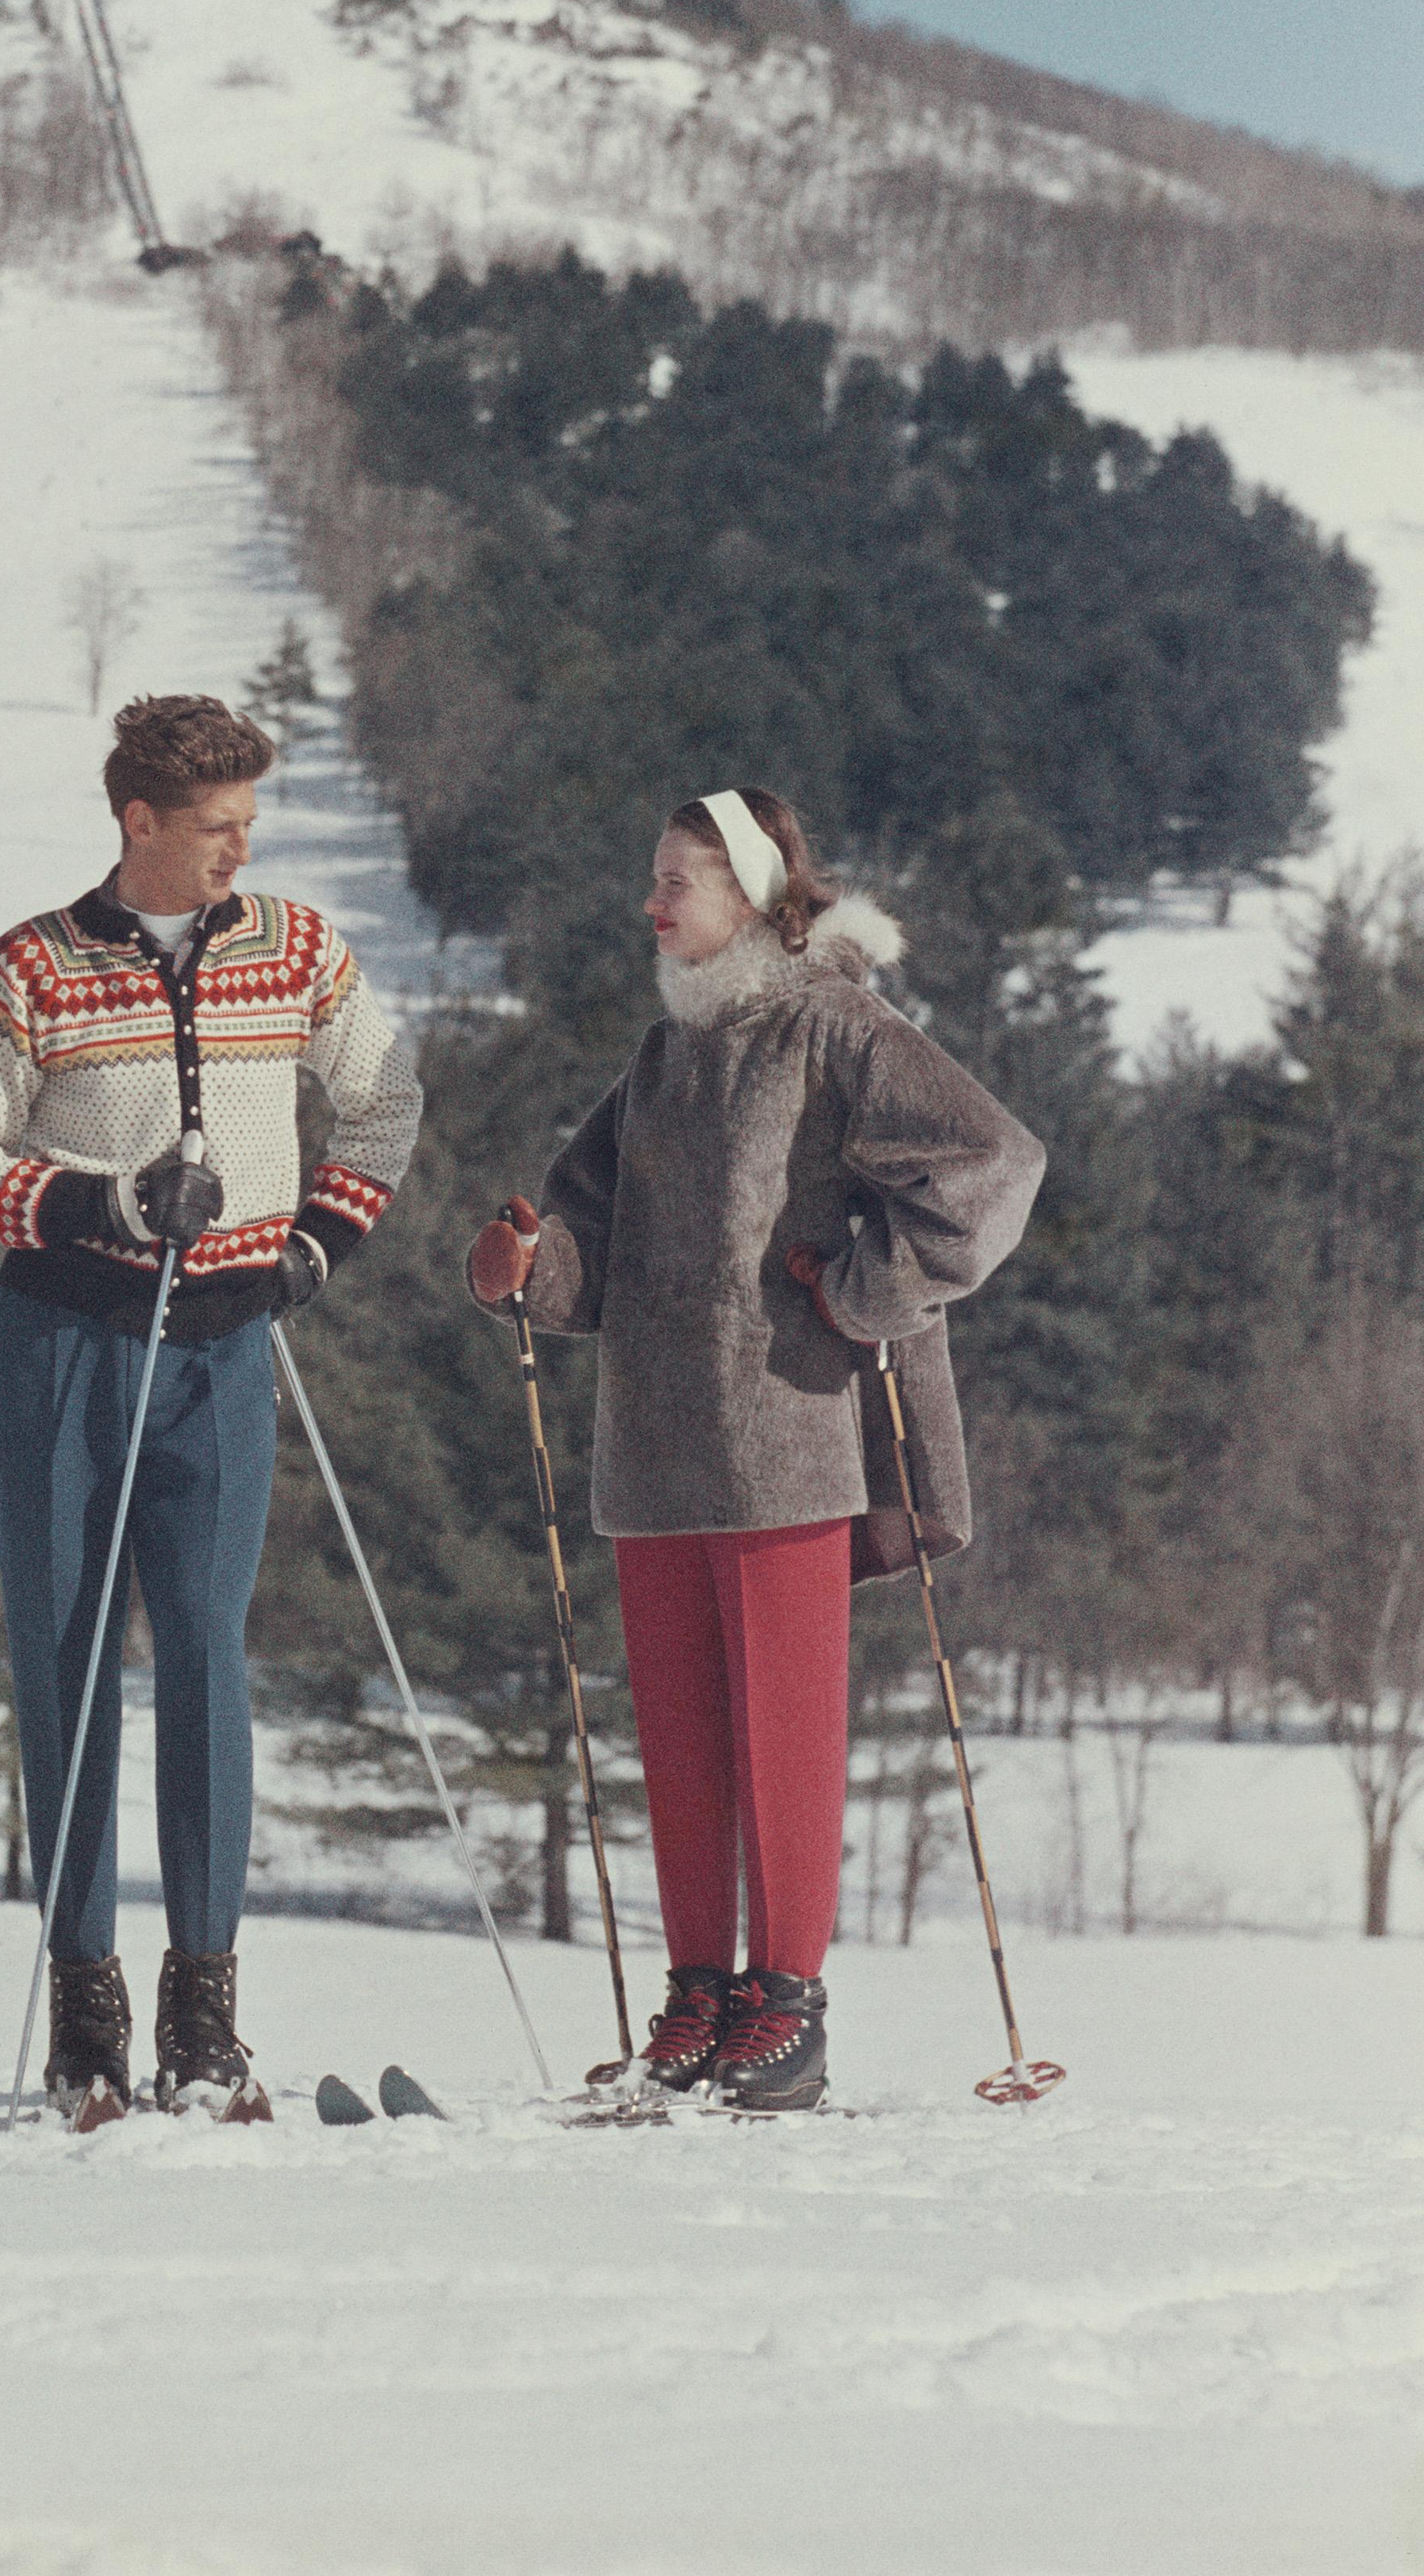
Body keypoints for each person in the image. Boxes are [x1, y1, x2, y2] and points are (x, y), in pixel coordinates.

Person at [466, 787, 1043, 2112]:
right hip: (653, 1443)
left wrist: (858, 1292)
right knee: (676, 1733)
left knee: (780, 1727)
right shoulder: (665, 1057)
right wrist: (525, 1262)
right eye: (652, 877)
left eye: (678, 879)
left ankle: (785, 2001)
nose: (653, 902)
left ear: (756, 893)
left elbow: (991, 1164)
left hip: (788, 1429)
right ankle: (700, 1994)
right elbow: (584, 1237)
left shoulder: (832, 1023)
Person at [0, 692, 421, 2118]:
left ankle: (207, 2014)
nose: (236, 853)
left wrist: (318, 1239)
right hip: (65, 1344)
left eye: (249, 824)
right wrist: (104, 1197)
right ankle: (87, 2006)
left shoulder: (299, 948)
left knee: (204, 1656)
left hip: (222, 1350)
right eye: (214, 828)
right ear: (137, 820)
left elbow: (387, 1103)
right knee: (65, 1664)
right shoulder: (34, 964)